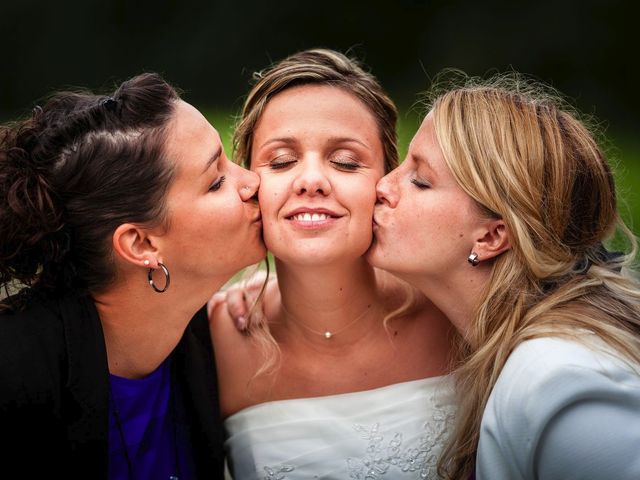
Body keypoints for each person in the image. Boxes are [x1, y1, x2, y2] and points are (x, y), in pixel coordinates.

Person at [368, 73, 640, 479]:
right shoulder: (502, 342)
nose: (383, 185)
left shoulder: (563, 381)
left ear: (493, 235)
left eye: (420, 180)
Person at [0, 73, 265, 479]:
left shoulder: (214, 331)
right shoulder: (16, 375)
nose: (253, 181)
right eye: (216, 182)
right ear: (141, 244)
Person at [210, 49, 457, 480]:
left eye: (345, 162)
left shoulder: (454, 313)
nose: (311, 180)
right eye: (282, 161)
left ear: (386, 183)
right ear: (249, 184)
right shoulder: (213, 337)